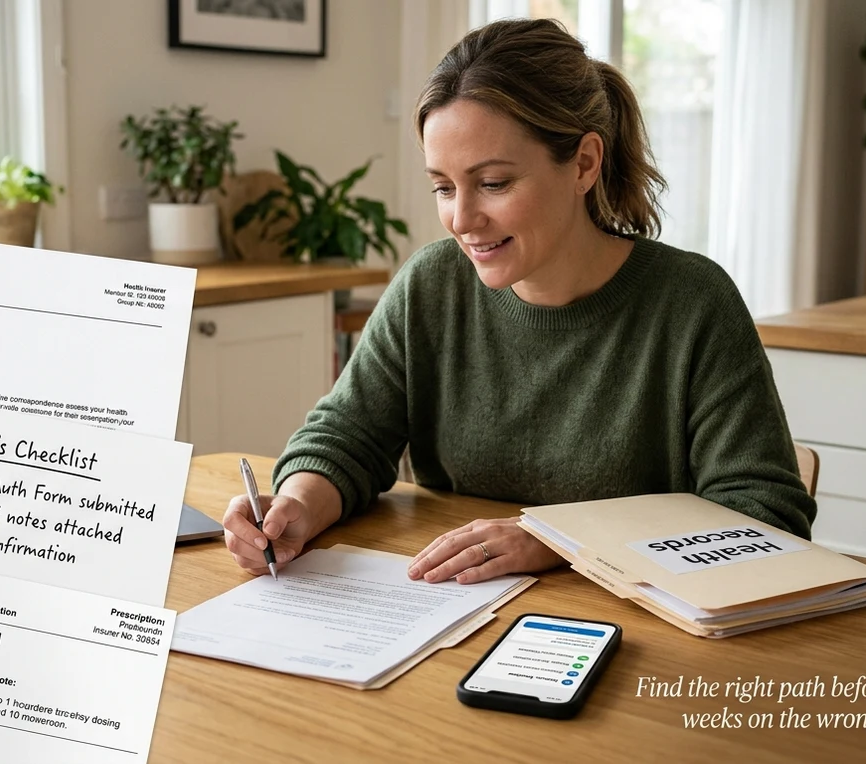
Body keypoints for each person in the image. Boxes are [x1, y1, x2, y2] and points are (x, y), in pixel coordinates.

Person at [222, 17, 815, 586]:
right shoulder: (430, 286)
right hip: (456, 613)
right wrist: (296, 505)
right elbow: (345, 439)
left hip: (639, 636)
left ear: (584, 163)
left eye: (494, 183)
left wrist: (561, 539)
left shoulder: (692, 303)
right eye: (443, 187)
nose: (461, 219)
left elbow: (765, 514)